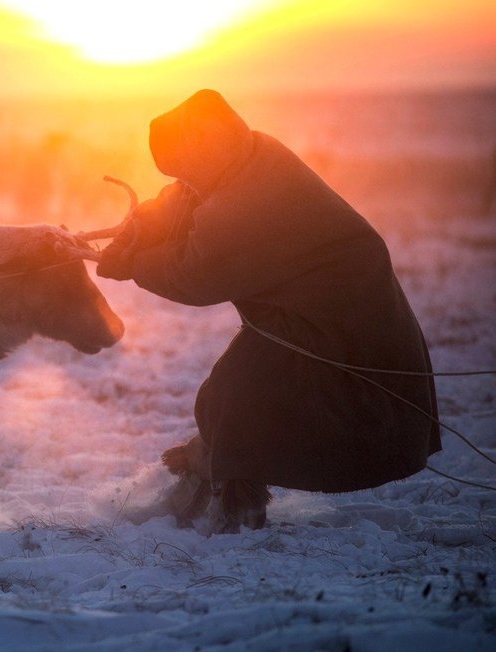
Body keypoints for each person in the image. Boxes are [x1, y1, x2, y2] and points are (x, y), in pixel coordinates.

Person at [97, 90, 441, 534]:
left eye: (185, 167)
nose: (184, 179)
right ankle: (204, 493)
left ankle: (235, 512)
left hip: (337, 320)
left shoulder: (245, 203)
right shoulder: (248, 155)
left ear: (204, 153)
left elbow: (195, 273)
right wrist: (144, 224)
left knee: (239, 397)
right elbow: (185, 199)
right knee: (229, 393)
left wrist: (133, 264)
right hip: (298, 312)